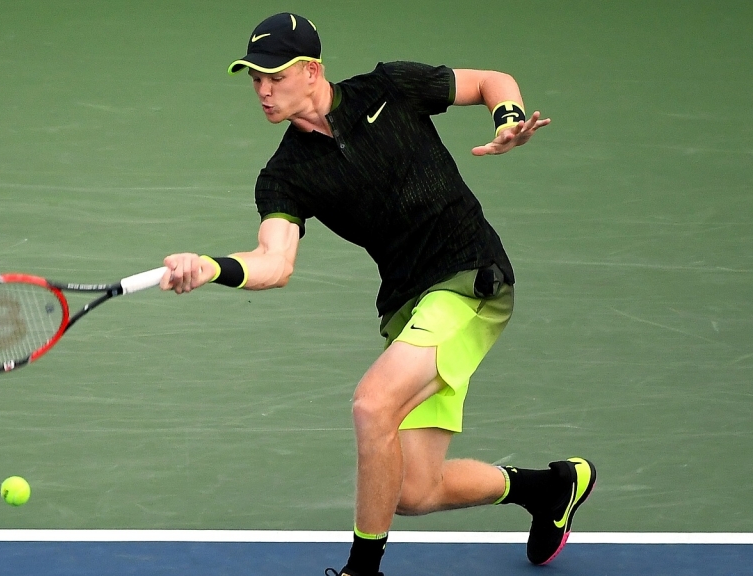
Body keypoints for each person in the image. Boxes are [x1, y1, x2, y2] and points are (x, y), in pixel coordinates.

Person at [159, 12, 595, 576]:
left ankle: (361, 571)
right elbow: (274, 263)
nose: (263, 91)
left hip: (469, 276)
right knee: (413, 491)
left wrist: (507, 118)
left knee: (372, 404)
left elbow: (492, 80)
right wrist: (211, 267)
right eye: (254, 78)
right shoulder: (284, 175)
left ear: (312, 69)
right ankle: (549, 488)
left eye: (276, 76)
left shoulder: (390, 87)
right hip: (407, 304)